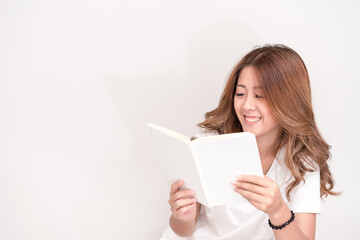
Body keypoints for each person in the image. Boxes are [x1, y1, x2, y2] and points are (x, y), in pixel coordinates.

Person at [160, 44, 338, 240]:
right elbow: (183, 230)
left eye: (260, 96)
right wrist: (183, 216)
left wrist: (279, 212)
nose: (247, 105)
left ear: (288, 101)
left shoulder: (301, 162)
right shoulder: (208, 140)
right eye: (240, 93)